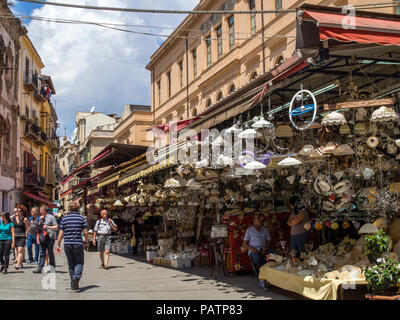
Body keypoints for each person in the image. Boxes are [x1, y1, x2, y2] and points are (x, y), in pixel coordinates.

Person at [56, 201, 88, 292]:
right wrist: (86, 242)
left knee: (71, 264)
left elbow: (61, 232)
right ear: (78, 208)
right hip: (78, 243)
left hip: (67, 243)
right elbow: (85, 232)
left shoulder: (64, 219)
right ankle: (76, 278)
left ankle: (73, 283)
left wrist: (58, 244)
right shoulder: (82, 218)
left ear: (69, 209)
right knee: (79, 262)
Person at [33, 205, 58, 274]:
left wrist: (48, 227)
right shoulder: (41, 218)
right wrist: (40, 220)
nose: (39, 212)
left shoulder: (51, 217)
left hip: (50, 237)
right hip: (42, 237)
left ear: (44, 210)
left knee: (50, 253)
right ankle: (40, 268)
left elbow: (56, 227)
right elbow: (38, 227)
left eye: (41, 210)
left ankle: (52, 267)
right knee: (42, 253)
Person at [12, 205, 29, 269]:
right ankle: (21, 264)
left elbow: (27, 228)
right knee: (16, 250)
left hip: (22, 236)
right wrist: (14, 215)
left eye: (19, 211)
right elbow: (12, 226)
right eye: (17, 210)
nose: (18, 212)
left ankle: (17, 265)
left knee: (20, 250)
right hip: (15, 236)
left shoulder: (25, 219)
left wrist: (26, 234)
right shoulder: (14, 218)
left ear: (22, 212)